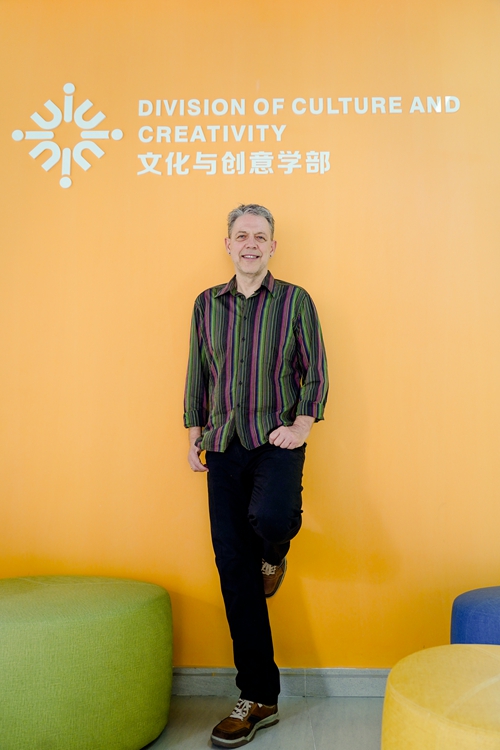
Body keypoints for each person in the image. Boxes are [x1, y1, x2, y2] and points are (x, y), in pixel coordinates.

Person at [184, 204, 328, 747]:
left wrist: (302, 425)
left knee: (271, 518)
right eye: (241, 235)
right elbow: (198, 371)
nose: (250, 244)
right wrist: (193, 434)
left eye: (260, 237)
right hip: (222, 444)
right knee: (234, 572)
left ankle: (275, 553)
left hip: (275, 439)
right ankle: (259, 696)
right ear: (228, 245)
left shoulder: (295, 300)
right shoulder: (206, 304)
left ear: (272, 247)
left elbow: (315, 368)